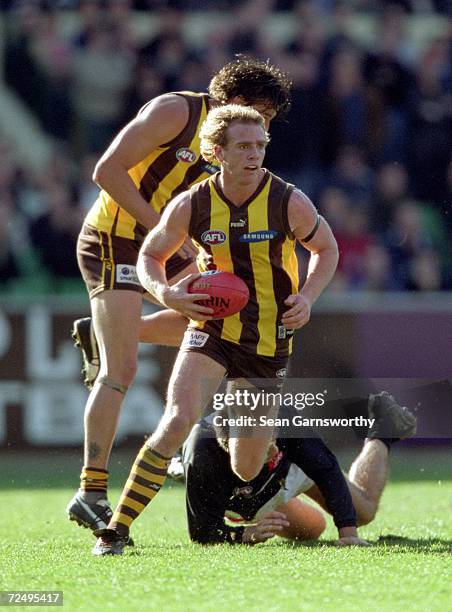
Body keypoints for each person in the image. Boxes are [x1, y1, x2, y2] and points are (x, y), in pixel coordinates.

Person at [91, 103, 339, 555]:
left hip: (267, 340)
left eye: (261, 145)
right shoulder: (194, 203)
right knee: (176, 420)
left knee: (246, 468)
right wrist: (165, 293)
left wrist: (307, 296)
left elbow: (326, 247)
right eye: (244, 146)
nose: (254, 154)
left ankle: (247, 450)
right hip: (212, 330)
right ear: (217, 151)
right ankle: (116, 529)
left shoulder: (288, 200)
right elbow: (150, 256)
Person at [66, 57, 292, 534]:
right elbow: (106, 171)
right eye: (259, 113)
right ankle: (90, 490)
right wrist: (163, 234)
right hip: (116, 236)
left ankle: (108, 335)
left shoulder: (238, 146)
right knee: (120, 370)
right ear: (231, 101)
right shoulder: (177, 113)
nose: (262, 130)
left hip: (170, 238)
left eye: (269, 121)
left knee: (222, 310)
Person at [177, 392, 417, 546]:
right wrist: (243, 535)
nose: (268, 453)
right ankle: (179, 469)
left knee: (362, 513)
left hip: (287, 470)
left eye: (269, 446)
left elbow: (326, 469)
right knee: (312, 529)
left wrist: (348, 533)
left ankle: (382, 430)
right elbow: (202, 532)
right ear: (227, 447)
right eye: (257, 454)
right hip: (240, 493)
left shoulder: (285, 421)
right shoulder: (203, 457)